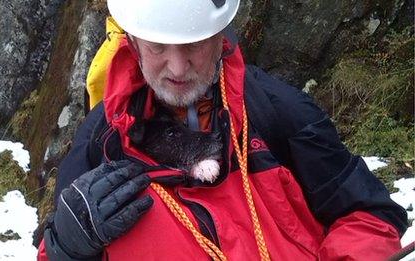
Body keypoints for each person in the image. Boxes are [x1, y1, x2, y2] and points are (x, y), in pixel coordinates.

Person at [37, 0, 408, 260]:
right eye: (158, 47)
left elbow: (368, 214)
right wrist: (67, 250)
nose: (178, 68)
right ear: (132, 43)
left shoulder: (279, 112)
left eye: (194, 45)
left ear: (220, 36)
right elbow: (51, 251)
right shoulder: (100, 141)